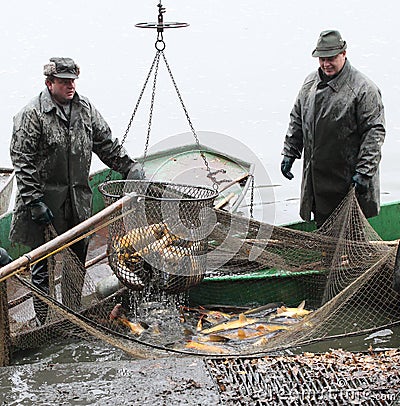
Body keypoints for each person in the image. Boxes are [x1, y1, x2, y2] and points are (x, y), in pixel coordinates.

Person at [9, 57, 143, 324]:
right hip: (43, 204)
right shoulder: (31, 114)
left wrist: (129, 167)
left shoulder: (85, 109)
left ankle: (71, 313)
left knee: (76, 260)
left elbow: (106, 145)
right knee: (41, 265)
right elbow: (22, 161)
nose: (70, 86)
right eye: (64, 82)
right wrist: (34, 201)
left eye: (72, 81)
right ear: (50, 84)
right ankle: (44, 320)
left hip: (77, 200)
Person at [281, 30, 385, 228]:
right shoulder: (310, 83)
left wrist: (364, 172)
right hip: (317, 177)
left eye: (331, 58)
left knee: (351, 232)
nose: (326, 64)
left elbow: (375, 132)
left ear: (344, 54)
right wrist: (290, 152)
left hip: (349, 179)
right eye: (322, 59)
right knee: (323, 227)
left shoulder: (364, 89)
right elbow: (297, 118)